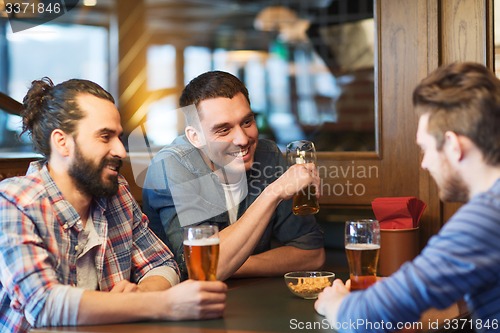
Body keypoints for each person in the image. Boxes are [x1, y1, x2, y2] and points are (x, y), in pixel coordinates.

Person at [0, 78, 227, 333]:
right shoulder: (15, 202)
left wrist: (141, 293)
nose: (120, 150)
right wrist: (161, 304)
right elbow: (43, 304)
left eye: (118, 136)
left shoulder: (116, 192)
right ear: (62, 142)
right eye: (105, 136)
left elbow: (162, 263)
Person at [314, 62, 500, 332]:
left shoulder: (485, 219)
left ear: (453, 145)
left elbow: (362, 319)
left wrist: (334, 302)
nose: (424, 164)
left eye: (425, 149)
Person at [142, 71, 325, 281]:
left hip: (250, 300)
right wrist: (273, 193)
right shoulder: (172, 166)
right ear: (195, 137)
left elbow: (312, 254)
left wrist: (231, 261)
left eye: (247, 122)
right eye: (223, 130)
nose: (242, 139)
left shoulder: (268, 156)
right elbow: (201, 269)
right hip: (182, 304)